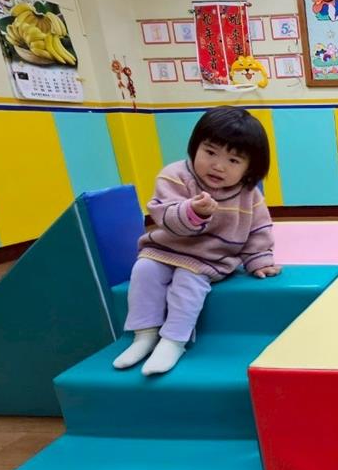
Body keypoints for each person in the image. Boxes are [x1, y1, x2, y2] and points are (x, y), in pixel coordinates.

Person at [113, 107, 279, 376]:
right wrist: (193, 212)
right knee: (144, 270)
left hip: (210, 259)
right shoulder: (175, 175)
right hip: (165, 248)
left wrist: (259, 260)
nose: (218, 166)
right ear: (195, 146)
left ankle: (174, 340)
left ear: (249, 168)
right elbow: (165, 215)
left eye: (233, 160)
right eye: (210, 152)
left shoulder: (248, 193)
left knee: (188, 280)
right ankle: (144, 335)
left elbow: (258, 229)